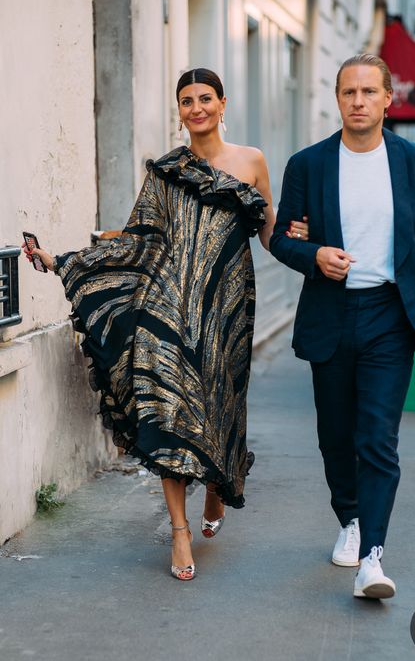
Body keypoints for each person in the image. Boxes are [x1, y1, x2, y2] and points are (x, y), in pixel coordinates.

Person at [23, 68, 308, 581]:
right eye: (185, 100)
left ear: (223, 103)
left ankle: (218, 486)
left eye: (204, 98)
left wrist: (308, 241)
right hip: (171, 305)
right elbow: (137, 238)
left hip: (227, 309)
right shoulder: (166, 170)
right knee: (166, 408)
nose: (195, 107)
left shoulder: (253, 162)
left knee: (221, 402)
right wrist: (60, 258)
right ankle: (179, 531)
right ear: (179, 111)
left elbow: (270, 235)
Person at [270, 54, 415, 599]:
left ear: (389, 98)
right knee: (335, 435)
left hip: (390, 315)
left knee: (378, 439)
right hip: (332, 313)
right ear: (338, 98)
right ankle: (348, 517)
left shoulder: (411, 160)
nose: (359, 101)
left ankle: (373, 554)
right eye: (350, 92)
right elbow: (282, 238)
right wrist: (313, 253)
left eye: (370, 92)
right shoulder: (309, 164)